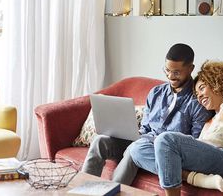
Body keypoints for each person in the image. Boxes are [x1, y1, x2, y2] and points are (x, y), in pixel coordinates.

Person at [81, 43, 213, 185]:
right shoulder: (156, 93)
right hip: (143, 140)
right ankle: (83, 190)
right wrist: (131, 134)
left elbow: (194, 144)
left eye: (176, 72)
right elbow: (145, 128)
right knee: (100, 141)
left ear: (190, 68)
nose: (170, 76)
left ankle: (112, 191)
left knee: (135, 148)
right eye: (167, 70)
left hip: (162, 152)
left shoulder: (197, 102)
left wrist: (148, 142)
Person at [130, 60, 223, 196]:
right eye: (197, 95)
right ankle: (195, 178)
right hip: (215, 161)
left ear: (217, 83)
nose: (199, 97)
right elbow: (201, 150)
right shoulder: (212, 119)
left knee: (166, 140)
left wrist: (173, 148)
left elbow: (222, 139)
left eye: (202, 88)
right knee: (136, 149)